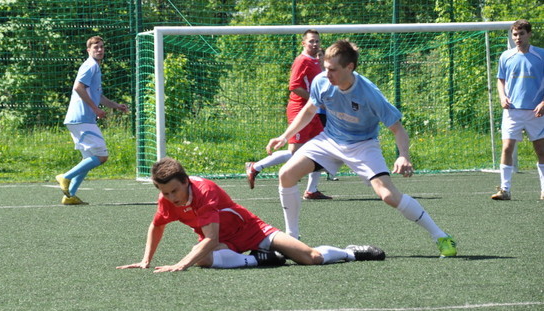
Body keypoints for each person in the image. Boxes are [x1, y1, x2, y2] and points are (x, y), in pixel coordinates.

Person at [266, 40, 457, 258]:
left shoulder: (370, 94)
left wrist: (404, 156)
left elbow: (398, 130)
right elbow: (309, 111)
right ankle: (292, 239)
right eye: (325, 68)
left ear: (349, 67)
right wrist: (284, 136)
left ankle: (441, 236)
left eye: (333, 69)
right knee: (286, 174)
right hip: (330, 139)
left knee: (388, 195)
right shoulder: (321, 82)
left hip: (363, 144)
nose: (327, 74)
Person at [117, 157, 385, 272]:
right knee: (203, 258)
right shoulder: (166, 200)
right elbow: (157, 226)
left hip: (253, 231)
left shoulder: (204, 191)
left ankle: (351, 252)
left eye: (175, 190)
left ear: (186, 181)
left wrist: (180, 264)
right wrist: (145, 260)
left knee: (311, 258)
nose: (171, 197)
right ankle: (259, 260)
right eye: (165, 193)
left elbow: (210, 239)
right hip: (226, 241)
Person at [245, 30, 332, 199]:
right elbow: (294, 86)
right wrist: (315, 100)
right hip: (300, 110)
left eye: (317, 41)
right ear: (303, 43)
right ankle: (255, 167)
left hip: (312, 111)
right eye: (311, 41)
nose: (315, 44)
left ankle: (311, 190)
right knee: (295, 153)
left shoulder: (315, 61)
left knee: (321, 149)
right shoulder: (302, 61)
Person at [56, 36, 129, 205]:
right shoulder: (90, 66)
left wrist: (116, 106)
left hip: (81, 119)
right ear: (88, 50)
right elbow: (78, 87)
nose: (100, 50)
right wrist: (95, 109)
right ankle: (65, 177)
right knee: (102, 156)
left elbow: (99, 96)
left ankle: (70, 196)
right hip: (82, 119)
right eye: (96, 47)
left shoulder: (95, 67)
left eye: (102, 47)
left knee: (89, 159)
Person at [490, 19, 544, 201]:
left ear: (529, 34)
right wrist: (502, 97)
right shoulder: (506, 56)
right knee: (507, 148)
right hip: (512, 111)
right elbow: (500, 80)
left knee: (541, 150)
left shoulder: (541, 55)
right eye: (515, 34)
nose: (518, 38)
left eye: (521, 34)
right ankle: (505, 190)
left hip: (536, 112)